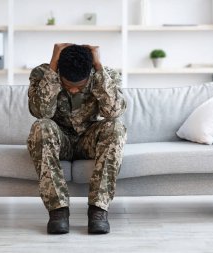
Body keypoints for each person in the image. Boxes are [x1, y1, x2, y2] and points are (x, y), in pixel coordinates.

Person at [27, 43, 127, 234]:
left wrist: (98, 68)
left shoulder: (106, 75)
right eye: (67, 85)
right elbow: (41, 112)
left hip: (88, 140)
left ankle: (98, 210)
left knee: (116, 127)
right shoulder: (41, 74)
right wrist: (53, 67)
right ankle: (58, 211)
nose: (73, 91)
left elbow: (113, 111)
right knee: (41, 127)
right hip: (60, 139)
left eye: (79, 87)